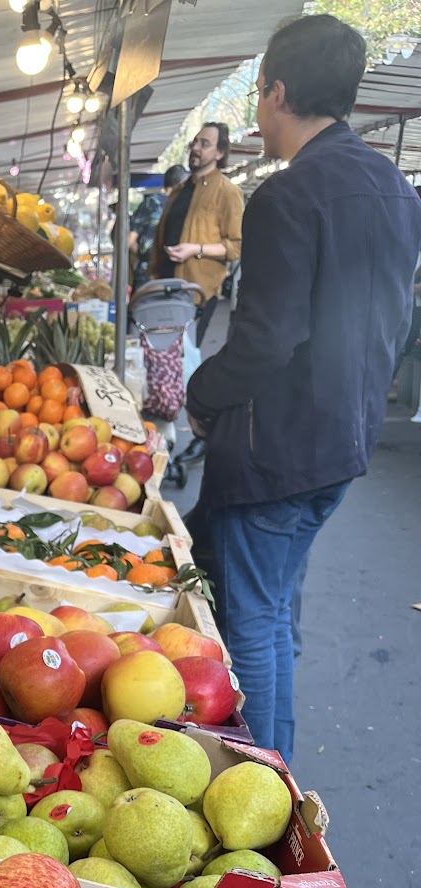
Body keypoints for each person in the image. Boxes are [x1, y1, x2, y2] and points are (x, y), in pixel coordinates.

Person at [186, 14, 421, 761]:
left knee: (252, 619)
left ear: (277, 92)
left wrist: (203, 396)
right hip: (342, 443)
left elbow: (265, 339)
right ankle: (274, 763)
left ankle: (265, 774)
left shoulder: (288, 197)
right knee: (278, 609)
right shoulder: (393, 186)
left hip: (278, 450)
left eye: (258, 93)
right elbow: (394, 320)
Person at [151, 124, 243, 340]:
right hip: (164, 287)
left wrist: (195, 249)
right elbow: (160, 236)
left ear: (219, 153)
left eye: (205, 144)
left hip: (197, 294)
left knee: (186, 357)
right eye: (195, 142)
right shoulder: (178, 191)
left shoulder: (228, 192)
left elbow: (236, 246)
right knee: (161, 355)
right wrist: (153, 272)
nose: (196, 148)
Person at [130, 164, 188, 288]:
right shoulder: (185, 206)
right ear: (182, 184)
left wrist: (145, 259)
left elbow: (130, 241)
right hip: (177, 275)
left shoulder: (150, 203)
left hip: (146, 275)